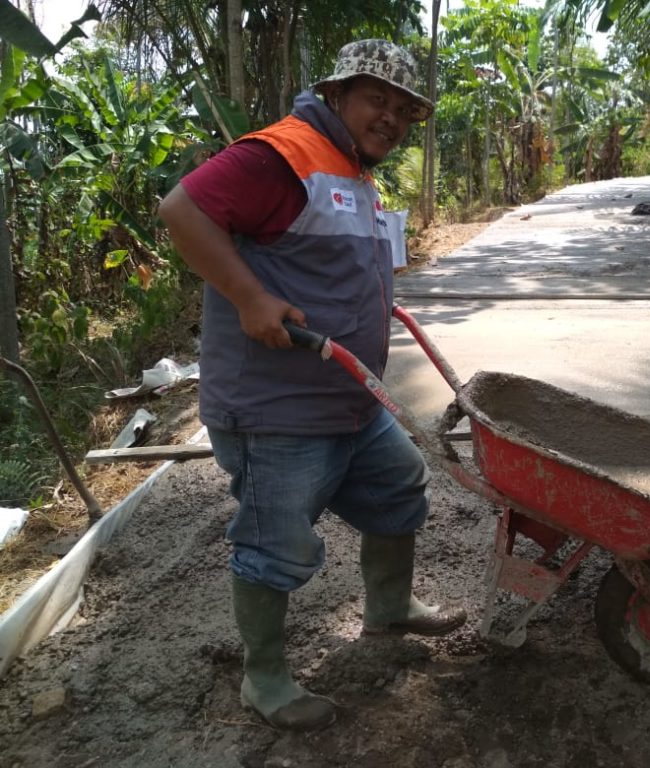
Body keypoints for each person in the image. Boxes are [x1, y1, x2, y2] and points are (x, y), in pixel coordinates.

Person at [158, 39, 466, 732]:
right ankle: (262, 678)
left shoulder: (354, 170)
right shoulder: (284, 153)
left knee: (400, 487)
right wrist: (249, 297)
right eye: (376, 100)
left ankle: (388, 607)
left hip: (351, 402)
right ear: (337, 96)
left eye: (404, 110)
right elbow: (182, 210)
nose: (390, 117)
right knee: (277, 546)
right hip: (279, 412)